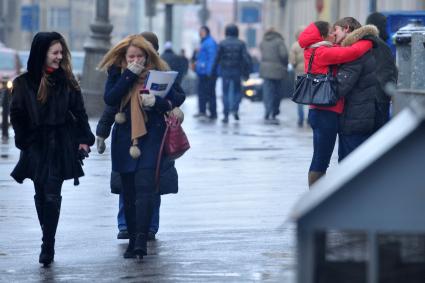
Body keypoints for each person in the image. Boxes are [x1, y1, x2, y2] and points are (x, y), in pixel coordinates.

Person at [9, 31, 95, 266]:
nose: (59, 57)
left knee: (52, 195)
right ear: (42, 53)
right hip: (35, 146)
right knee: (40, 195)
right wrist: (24, 139)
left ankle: (48, 244)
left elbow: (80, 114)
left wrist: (84, 139)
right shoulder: (23, 83)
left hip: (60, 144)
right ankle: (47, 236)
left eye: (61, 53)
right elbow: (16, 115)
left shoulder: (68, 81)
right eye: (54, 52)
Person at [98, 34, 185, 259]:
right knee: (128, 192)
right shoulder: (117, 74)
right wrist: (129, 75)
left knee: (145, 188)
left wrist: (157, 102)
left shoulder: (158, 75)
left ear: (148, 57)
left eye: (139, 57)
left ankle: (141, 240)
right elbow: (110, 99)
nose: (135, 60)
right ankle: (131, 236)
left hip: (151, 138)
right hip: (124, 140)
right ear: (124, 58)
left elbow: (177, 98)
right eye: (131, 57)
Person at [297, 21, 373, 186]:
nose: (334, 35)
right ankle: (315, 199)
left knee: (321, 157)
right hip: (325, 113)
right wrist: (368, 39)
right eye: (331, 32)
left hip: (320, 111)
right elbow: (352, 52)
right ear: (323, 36)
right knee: (321, 159)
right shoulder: (322, 52)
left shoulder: (314, 50)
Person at [332, 17, 380, 161]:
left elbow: (341, 87)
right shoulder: (369, 45)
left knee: (349, 164)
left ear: (346, 28)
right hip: (366, 114)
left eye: (336, 30)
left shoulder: (354, 52)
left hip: (354, 118)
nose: (333, 34)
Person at [212, 24, 252, 123]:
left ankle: (225, 115)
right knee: (237, 92)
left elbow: (217, 58)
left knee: (225, 93)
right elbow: (246, 59)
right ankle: (235, 109)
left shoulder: (222, 43)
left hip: (225, 71)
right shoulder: (241, 43)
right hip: (237, 71)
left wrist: (213, 71)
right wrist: (247, 72)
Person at [365, 12, 398, 130]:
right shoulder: (381, 46)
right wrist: (394, 95)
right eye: (384, 25)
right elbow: (385, 75)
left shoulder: (364, 43)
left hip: (366, 101)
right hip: (379, 101)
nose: (386, 29)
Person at [259, 27, 289, 124]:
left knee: (267, 92)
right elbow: (284, 55)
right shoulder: (279, 41)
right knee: (277, 92)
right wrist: (285, 64)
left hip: (265, 70)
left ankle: (268, 110)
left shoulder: (263, 42)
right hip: (278, 70)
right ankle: (274, 110)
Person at [194, 25, 218, 120]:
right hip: (202, 72)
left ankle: (212, 113)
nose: (200, 33)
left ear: (206, 32)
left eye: (201, 31)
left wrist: (209, 72)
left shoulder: (209, 43)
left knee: (210, 93)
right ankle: (202, 111)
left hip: (207, 74)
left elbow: (212, 58)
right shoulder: (204, 42)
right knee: (202, 93)